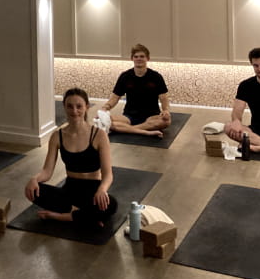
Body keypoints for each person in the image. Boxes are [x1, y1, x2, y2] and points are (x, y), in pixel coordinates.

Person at [25, 88, 117, 227]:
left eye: (79, 106)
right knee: (32, 191)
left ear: (87, 107)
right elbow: (47, 171)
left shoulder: (99, 135)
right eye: (70, 106)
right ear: (64, 107)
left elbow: (108, 174)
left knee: (112, 205)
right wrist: (34, 179)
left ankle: (62, 216)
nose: (74, 111)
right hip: (69, 190)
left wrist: (102, 189)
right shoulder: (57, 136)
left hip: (92, 190)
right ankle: (84, 216)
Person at [100, 44, 171, 137]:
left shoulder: (156, 76)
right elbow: (114, 98)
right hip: (129, 116)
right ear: (132, 59)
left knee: (166, 121)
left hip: (151, 116)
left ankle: (128, 129)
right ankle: (145, 131)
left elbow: (164, 98)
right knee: (103, 120)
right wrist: (105, 108)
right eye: (136, 56)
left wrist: (166, 111)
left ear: (148, 58)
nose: (139, 59)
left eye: (142, 56)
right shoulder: (125, 76)